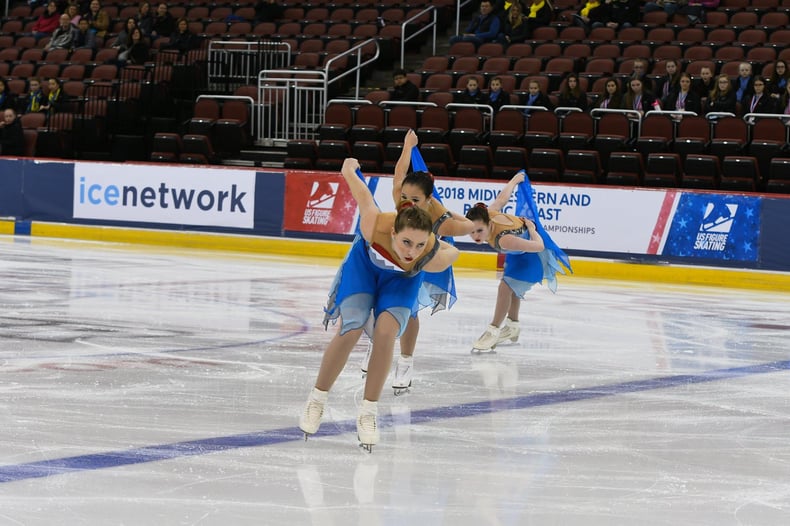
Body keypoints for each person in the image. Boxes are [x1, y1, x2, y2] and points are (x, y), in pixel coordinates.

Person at [298, 158, 459, 450]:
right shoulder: (374, 223)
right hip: (364, 269)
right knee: (352, 325)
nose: (412, 251)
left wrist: (432, 251)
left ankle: (368, 411)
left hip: (402, 281)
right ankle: (316, 399)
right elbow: (357, 187)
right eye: (407, 243)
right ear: (394, 232)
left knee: (386, 334)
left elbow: (453, 253)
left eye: (420, 245)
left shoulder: (430, 256)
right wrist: (348, 166)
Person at [360, 130, 474, 394]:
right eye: (405, 198)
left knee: (409, 310)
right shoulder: (402, 197)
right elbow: (400, 172)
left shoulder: (439, 219)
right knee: (377, 305)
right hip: (388, 262)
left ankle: (406, 362)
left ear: (429, 201)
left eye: (416, 200)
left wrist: (445, 211)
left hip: (416, 264)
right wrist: (407, 146)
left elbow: (467, 225)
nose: (408, 204)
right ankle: (375, 344)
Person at [464, 170, 571, 352]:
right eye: (472, 231)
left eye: (479, 231)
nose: (475, 236)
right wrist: (513, 181)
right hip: (518, 255)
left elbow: (538, 246)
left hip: (533, 256)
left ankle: (493, 330)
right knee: (511, 290)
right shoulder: (488, 213)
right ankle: (512, 326)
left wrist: (531, 228)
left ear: (489, 224)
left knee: (505, 288)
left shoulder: (505, 239)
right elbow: (501, 199)